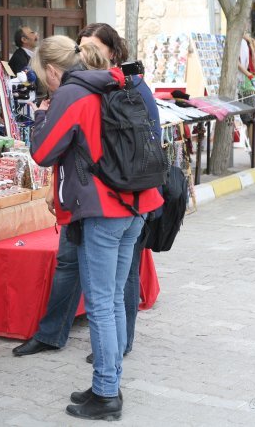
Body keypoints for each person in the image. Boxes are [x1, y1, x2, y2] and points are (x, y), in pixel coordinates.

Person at [28, 35, 164, 420]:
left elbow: (42, 152)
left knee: (102, 303)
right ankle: (107, 381)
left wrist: (41, 114)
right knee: (117, 297)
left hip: (103, 210)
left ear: (54, 71)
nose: (46, 84)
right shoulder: (114, 80)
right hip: (136, 203)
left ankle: (107, 394)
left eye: (44, 78)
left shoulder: (72, 95)